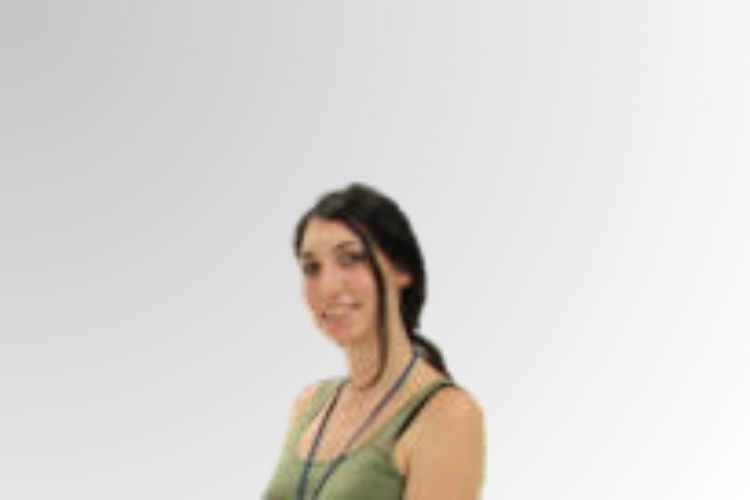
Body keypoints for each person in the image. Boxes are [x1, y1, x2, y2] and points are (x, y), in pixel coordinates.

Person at [263, 183, 485, 499]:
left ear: (402, 270)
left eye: (351, 258)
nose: (327, 286)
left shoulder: (447, 415)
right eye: (311, 268)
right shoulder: (310, 404)